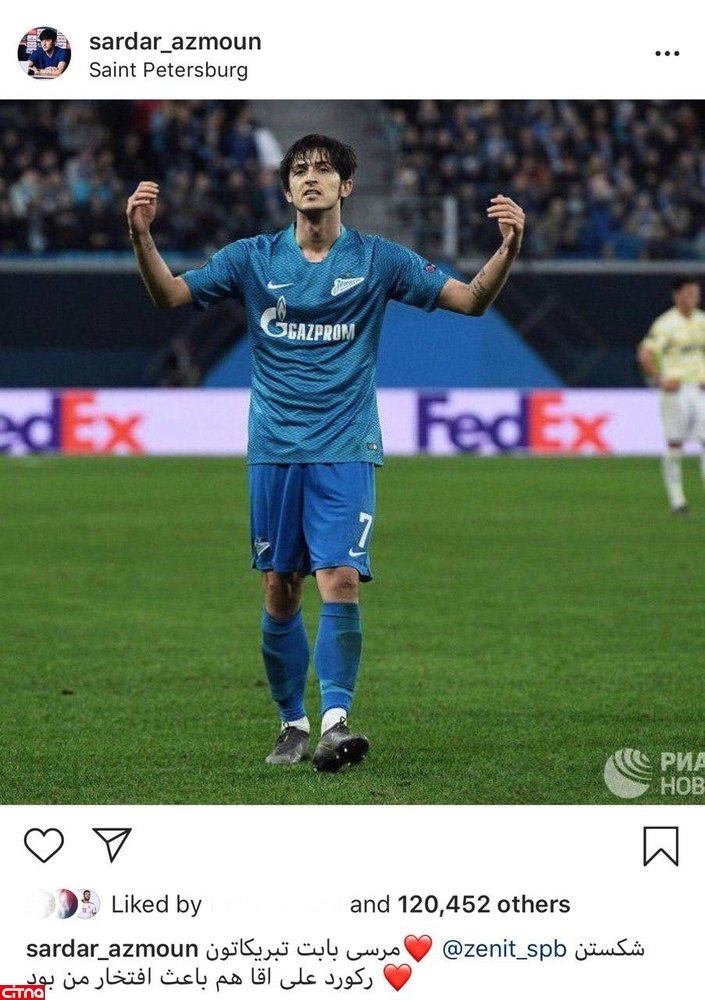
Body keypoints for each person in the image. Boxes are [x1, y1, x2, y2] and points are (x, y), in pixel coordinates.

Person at [126, 133, 525, 771]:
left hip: (346, 445)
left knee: (339, 579)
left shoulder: (379, 259)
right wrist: (141, 237)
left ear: (346, 187)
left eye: (325, 170)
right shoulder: (252, 258)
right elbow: (169, 295)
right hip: (275, 448)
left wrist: (507, 250)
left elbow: (472, 299)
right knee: (280, 588)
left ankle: (337, 722)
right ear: (287, 189)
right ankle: (292, 723)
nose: (312, 178)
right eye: (301, 170)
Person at [638, 276, 705, 514]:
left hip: (700, 389)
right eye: (689, 293)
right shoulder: (665, 324)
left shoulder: (702, 321)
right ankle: (678, 501)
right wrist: (661, 380)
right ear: (676, 295)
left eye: (696, 293)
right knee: (675, 444)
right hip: (676, 391)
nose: (694, 297)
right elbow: (645, 354)